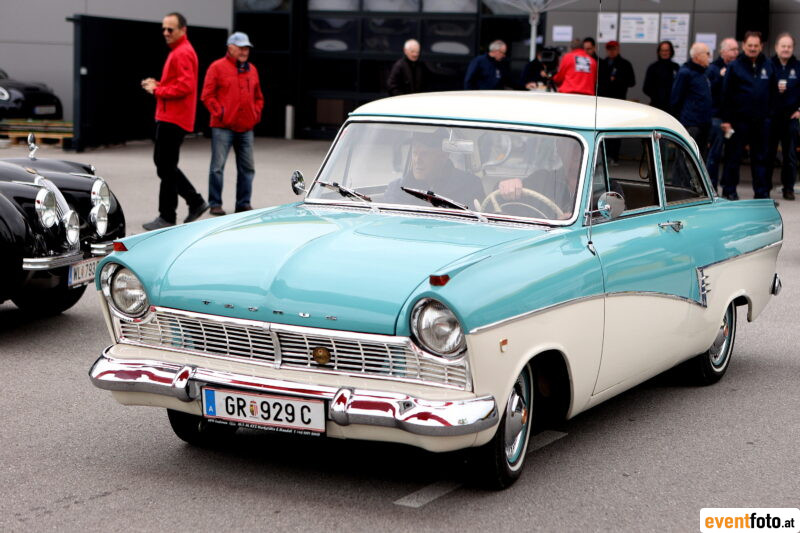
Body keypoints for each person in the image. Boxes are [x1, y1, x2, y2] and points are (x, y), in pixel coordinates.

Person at [141, 12, 208, 231]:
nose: (166, 33)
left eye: (170, 29)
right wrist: (158, 84)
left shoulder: (182, 52)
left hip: (173, 118)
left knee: (165, 166)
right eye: (163, 29)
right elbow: (179, 83)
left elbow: (185, 86)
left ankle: (170, 214)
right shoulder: (179, 52)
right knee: (165, 165)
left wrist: (158, 90)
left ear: (182, 30)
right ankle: (192, 202)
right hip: (171, 116)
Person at [201, 31, 264, 216]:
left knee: (247, 168)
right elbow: (207, 95)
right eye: (241, 47)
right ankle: (215, 204)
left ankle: (243, 204)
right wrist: (221, 113)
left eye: (247, 48)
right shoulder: (216, 67)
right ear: (230, 47)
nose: (244, 51)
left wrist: (255, 113)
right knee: (217, 168)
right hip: (223, 127)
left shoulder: (252, 69)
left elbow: (259, 97)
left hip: (246, 127)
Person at [720, 31, 777, 200]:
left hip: (761, 121)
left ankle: (761, 193)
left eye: (756, 45)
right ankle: (729, 191)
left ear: (761, 46)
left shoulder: (769, 65)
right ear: (744, 46)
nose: (752, 48)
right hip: (738, 121)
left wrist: (770, 117)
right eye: (749, 45)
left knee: (761, 159)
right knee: (733, 157)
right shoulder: (734, 66)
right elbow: (726, 95)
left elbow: (774, 94)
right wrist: (727, 120)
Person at [383, 130, 484, 207]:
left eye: (425, 154)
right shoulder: (396, 190)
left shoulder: (470, 186)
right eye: (415, 153)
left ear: (443, 156)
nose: (417, 160)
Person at [768, 32, 800, 200]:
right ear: (776, 47)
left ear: (793, 48)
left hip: (791, 118)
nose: (786, 49)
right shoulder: (768, 65)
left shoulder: (798, 66)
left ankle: (788, 188)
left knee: (790, 156)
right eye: (783, 46)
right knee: (768, 154)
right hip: (772, 118)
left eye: (789, 46)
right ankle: (764, 189)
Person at [706, 37, 740, 189]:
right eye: (732, 49)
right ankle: (711, 187)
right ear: (723, 51)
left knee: (733, 154)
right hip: (717, 117)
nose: (736, 52)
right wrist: (721, 77)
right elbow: (709, 91)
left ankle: (729, 187)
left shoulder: (738, 67)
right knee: (715, 154)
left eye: (737, 49)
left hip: (733, 118)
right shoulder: (713, 68)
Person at [671, 42, 713, 160]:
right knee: (685, 159)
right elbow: (676, 99)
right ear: (697, 56)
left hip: (704, 123)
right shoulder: (685, 73)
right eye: (707, 53)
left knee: (700, 159)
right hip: (690, 123)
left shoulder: (703, 73)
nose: (710, 56)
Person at [643, 41, 680, 112]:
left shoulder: (676, 67)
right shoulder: (653, 67)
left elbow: (679, 86)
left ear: (671, 52)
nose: (664, 53)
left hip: (672, 106)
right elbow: (646, 88)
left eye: (667, 50)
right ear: (659, 52)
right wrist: (657, 97)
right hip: (656, 106)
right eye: (662, 50)